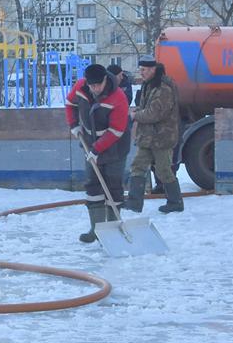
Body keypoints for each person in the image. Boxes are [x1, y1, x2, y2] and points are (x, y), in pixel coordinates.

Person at [65, 63, 131, 244]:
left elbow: (117, 130)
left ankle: (113, 230)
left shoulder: (118, 97)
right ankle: (96, 229)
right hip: (90, 143)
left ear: (105, 80)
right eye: (91, 85)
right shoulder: (80, 87)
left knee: (113, 186)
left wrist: (96, 149)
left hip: (115, 146)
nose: (94, 89)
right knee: (93, 185)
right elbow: (70, 104)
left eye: (98, 85)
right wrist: (74, 125)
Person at [124, 53, 183, 213]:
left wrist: (136, 115)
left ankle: (175, 202)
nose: (141, 72)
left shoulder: (163, 88)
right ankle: (134, 202)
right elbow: (148, 109)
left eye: (144, 69)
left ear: (153, 69)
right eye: (141, 69)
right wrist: (139, 110)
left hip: (161, 137)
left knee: (163, 170)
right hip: (148, 137)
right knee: (138, 166)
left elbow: (155, 113)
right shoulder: (149, 85)